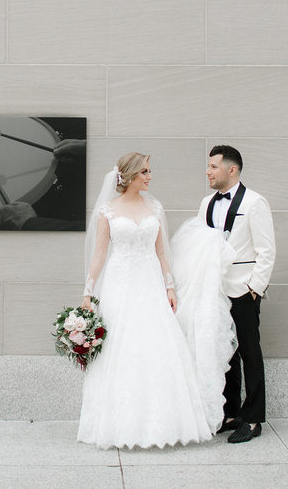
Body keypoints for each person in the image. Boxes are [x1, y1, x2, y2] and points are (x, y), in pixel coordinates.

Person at [77, 153, 233, 449]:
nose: (150, 177)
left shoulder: (155, 208)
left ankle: (162, 423)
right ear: (130, 175)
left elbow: (161, 252)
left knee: (157, 344)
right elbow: (99, 255)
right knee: (121, 347)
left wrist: (170, 287)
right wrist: (88, 292)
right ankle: (117, 425)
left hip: (150, 283)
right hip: (120, 284)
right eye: (145, 172)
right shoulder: (108, 211)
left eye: (150, 171)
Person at [199, 145, 276, 443]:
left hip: (243, 290)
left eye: (213, 166)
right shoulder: (206, 203)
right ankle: (231, 413)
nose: (208, 171)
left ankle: (253, 419)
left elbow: (266, 250)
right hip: (215, 290)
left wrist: (254, 289)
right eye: (208, 166)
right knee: (224, 352)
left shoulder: (255, 202)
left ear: (231, 170)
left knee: (249, 353)